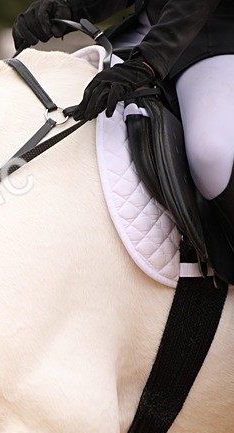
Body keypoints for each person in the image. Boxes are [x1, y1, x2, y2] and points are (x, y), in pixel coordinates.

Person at [12, 0, 234, 266]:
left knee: (211, 155)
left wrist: (149, 61)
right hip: (148, 29)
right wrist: (69, 8)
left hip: (216, 38)